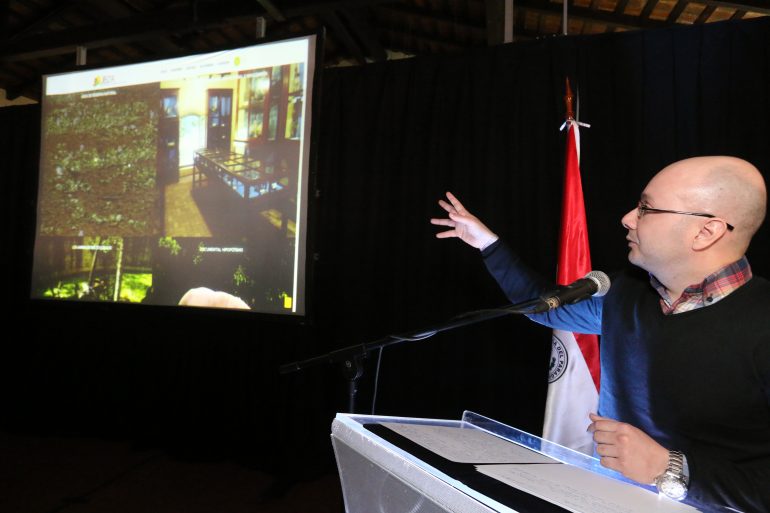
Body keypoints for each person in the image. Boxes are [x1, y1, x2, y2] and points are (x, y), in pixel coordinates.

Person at [431, 156, 770, 512]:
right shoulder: (626, 292)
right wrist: (488, 244)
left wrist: (670, 470)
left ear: (705, 232)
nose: (627, 218)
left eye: (646, 209)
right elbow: (544, 307)